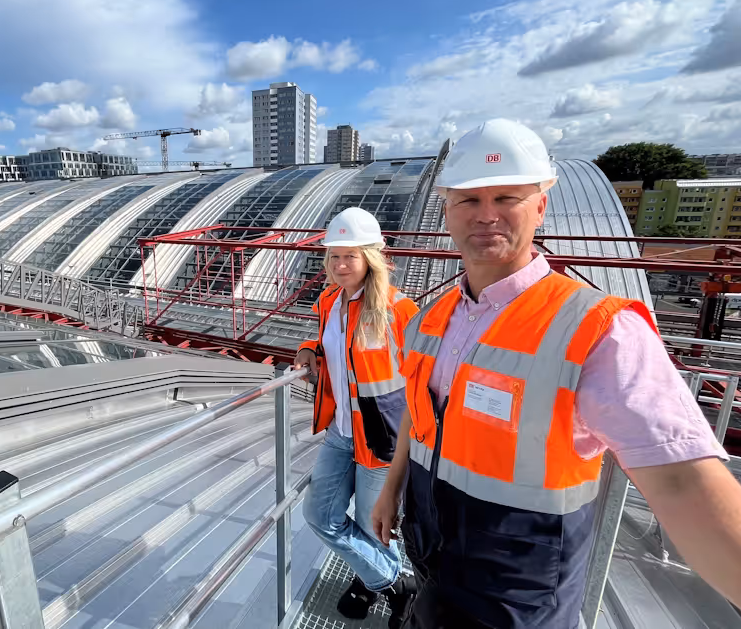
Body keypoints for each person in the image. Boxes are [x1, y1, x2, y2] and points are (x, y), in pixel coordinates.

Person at [370, 118, 741, 629]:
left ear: (541, 206)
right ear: (448, 211)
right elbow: (421, 419)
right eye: (469, 201)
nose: (486, 216)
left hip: (520, 593)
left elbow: (681, 478)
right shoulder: (431, 321)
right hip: (434, 557)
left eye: (507, 198)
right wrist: (391, 490)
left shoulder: (597, 329)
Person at [293, 207, 419, 621]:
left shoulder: (398, 310)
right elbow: (332, 343)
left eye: (350, 255)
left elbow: (423, 374)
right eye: (333, 256)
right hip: (340, 433)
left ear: (371, 257)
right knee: (319, 515)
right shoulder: (328, 300)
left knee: (374, 526)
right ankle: (398, 582)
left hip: (382, 438)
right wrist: (309, 348)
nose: (340, 264)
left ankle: (373, 580)